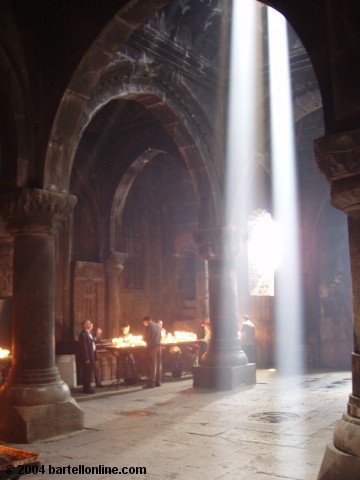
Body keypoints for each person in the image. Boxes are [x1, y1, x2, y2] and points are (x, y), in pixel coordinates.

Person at [142, 316, 162, 388]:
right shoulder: (157, 326)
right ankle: (158, 381)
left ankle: (151, 383)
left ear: (146, 321)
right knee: (158, 364)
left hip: (152, 347)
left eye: (144, 323)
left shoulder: (149, 326)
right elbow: (160, 336)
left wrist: (144, 339)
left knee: (152, 365)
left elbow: (147, 337)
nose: (144, 325)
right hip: (159, 346)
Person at [78, 319, 97, 393]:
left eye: (90, 323)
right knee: (86, 373)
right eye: (88, 323)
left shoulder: (89, 333)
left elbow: (92, 342)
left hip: (91, 355)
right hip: (87, 357)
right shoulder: (83, 334)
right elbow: (84, 347)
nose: (90, 324)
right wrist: (86, 358)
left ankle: (88, 387)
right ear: (84, 325)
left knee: (89, 373)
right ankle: (86, 388)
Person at [91, 323, 104, 388]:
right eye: (99, 330)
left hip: (94, 354)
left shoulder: (99, 335)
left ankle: (98, 383)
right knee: (93, 369)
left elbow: (99, 342)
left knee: (97, 369)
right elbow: (93, 341)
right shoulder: (91, 334)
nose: (100, 331)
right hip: (90, 354)